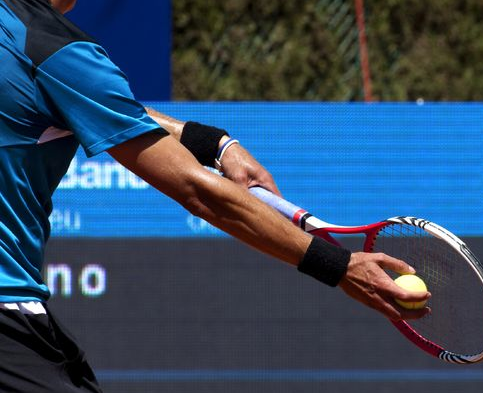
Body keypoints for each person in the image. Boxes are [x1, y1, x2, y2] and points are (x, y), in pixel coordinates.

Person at [0, 0, 430, 391]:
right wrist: (338, 265)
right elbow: (198, 192)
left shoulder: (27, 44)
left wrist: (214, 144)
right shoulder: (56, 49)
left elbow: (94, 105)